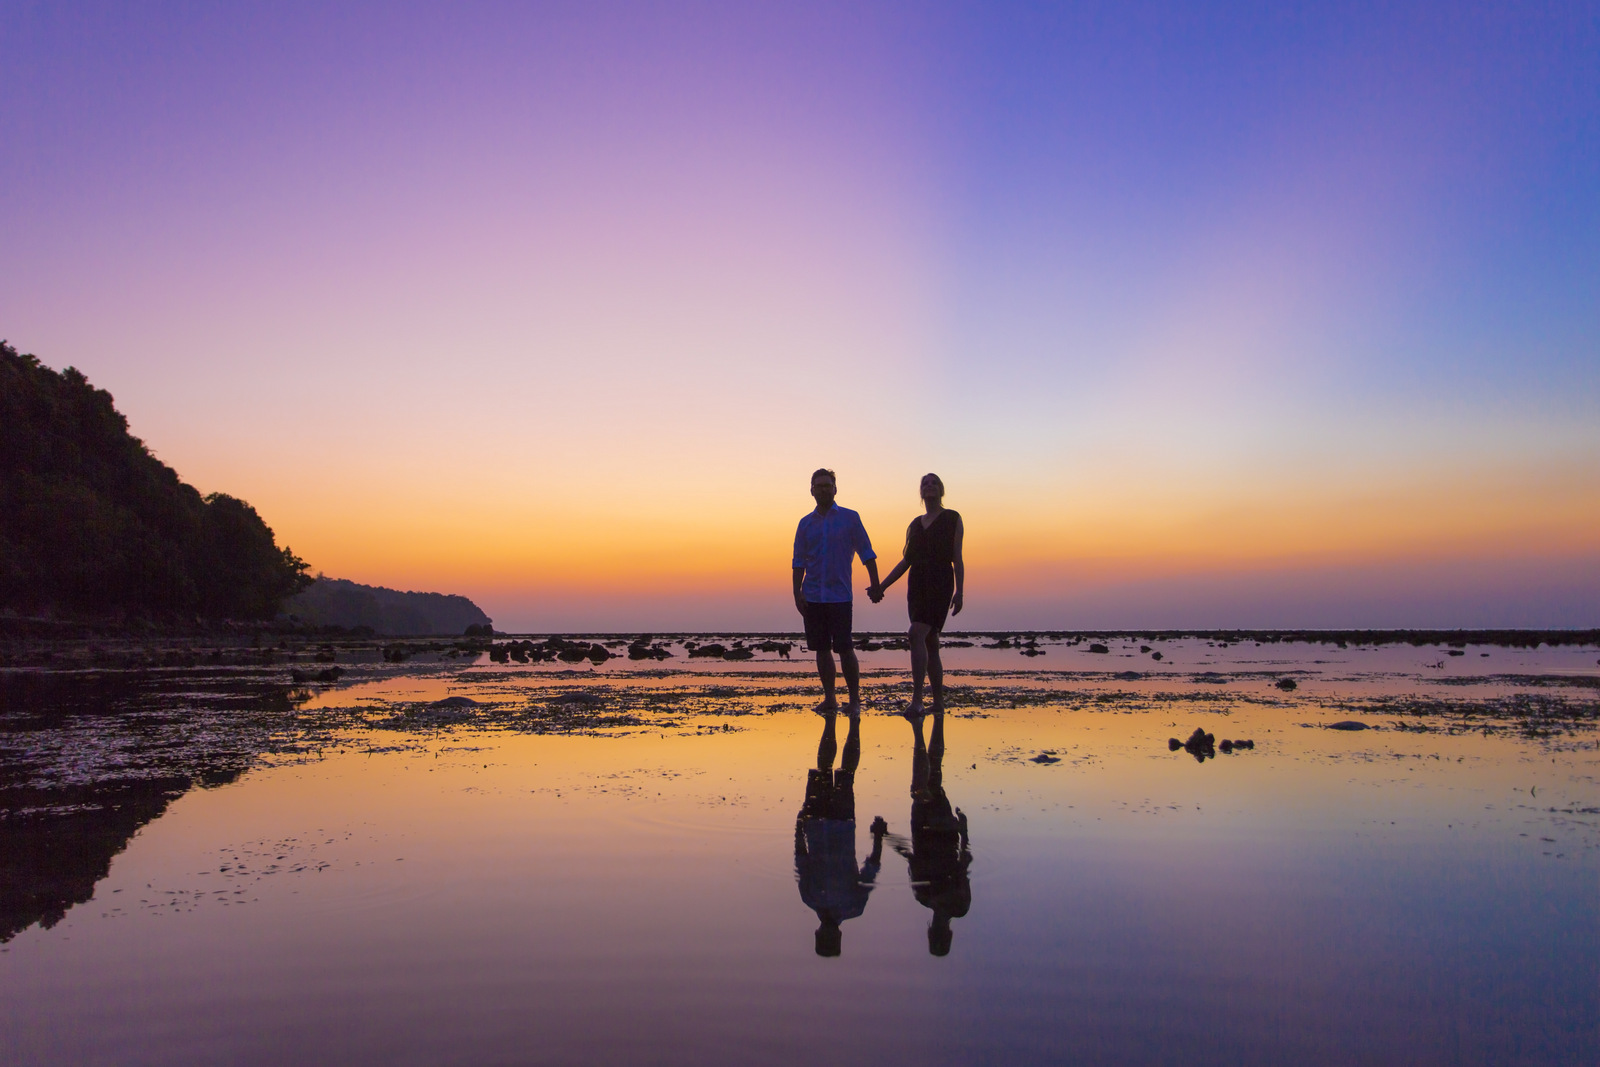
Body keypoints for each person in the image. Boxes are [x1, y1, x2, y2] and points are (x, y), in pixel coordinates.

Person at [794, 708, 889, 957]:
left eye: (823, 936)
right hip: (842, 824)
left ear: (817, 934)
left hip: (817, 822)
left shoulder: (811, 898)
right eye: (829, 937)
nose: (826, 933)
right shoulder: (852, 907)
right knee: (846, 775)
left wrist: (798, 827)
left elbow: (801, 859)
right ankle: (852, 725)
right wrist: (878, 838)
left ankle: (836, 722)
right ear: (836, 936)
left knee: (826, 769)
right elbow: (870, 870)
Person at [871, 473, 964, 716]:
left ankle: (917, 700)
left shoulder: (952, 518)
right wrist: (882, 586)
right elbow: (906, 562)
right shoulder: (914, 524)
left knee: (915, 634)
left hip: (940, 583)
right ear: (920, 492)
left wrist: (960, 591)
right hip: (917, 585)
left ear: (941, 490)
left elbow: (957, 557)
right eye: (925, 483)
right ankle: (939, 703)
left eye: (934, 483)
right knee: (931, 643)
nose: (929, 486)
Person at [792, 468, 881, 715]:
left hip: (840, 596)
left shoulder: (850, 518)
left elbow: (867, 552)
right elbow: (798, 560)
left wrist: (876, 584)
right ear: (811, 490)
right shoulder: (805, 524)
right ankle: (830, 698)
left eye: (827, 485)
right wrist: (796, 592)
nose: (823, 489)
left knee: (844, 647)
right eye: (818, 486)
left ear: (835, 489)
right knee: (820, 648)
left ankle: (854, 701)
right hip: (813, 596)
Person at [890, 708, 971, 956]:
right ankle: (921, 730)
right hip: (936, 830)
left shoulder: (932, 899)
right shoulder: (944, 901)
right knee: (930, 780)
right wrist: (964, 831)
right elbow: (962, 864)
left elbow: (962, 863)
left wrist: (963, 831)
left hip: (938, 830)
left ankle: (925, 727)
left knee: (931, 779)